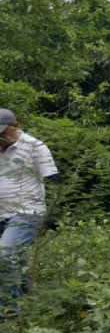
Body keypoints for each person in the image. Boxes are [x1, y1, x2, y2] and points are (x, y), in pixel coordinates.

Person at [0, 108, 59, 315]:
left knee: (5, 254)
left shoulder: (35, 147)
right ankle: (28, 307)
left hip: (27, 212)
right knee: (17, 261)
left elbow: (55, 180)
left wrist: (53, 213)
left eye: (2, 132)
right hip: (1, 214)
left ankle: (10, 312)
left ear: (15, 127)